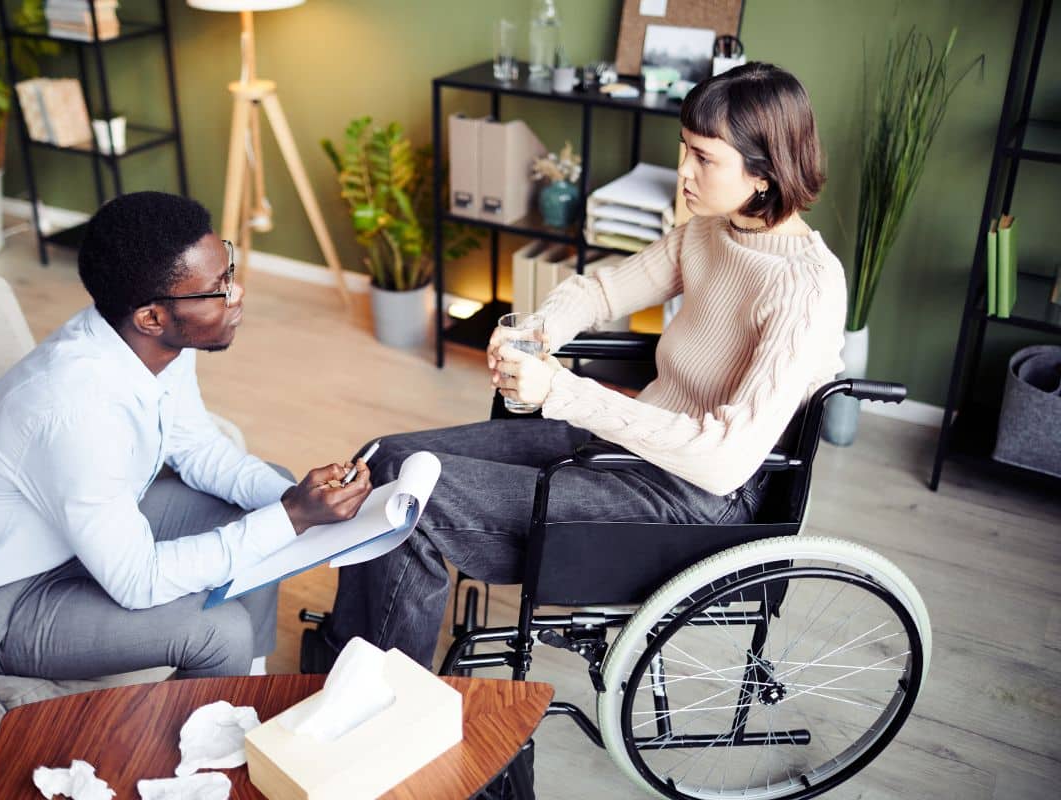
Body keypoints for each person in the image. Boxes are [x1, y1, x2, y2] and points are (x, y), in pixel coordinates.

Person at [311, 62, 847, 670]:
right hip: (622, 442)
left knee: (415, 494)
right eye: (683, 150)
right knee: (383, 456)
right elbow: (599, 290)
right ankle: (344, 657)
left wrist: (561, 392)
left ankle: (369, 696)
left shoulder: (807, 287)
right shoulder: (708, 231)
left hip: (689, 498)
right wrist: (541, 332)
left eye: (704, 157)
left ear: (765, 170)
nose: (683, 172)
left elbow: (723, 461)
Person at [0, 191, 372, 680]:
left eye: (228, 273)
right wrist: (294, 517)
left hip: (75, 539)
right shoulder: (76, 408)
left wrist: (298, 501)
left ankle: (248, 680)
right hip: (1, 602)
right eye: (216, 289)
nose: (236, 296)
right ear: (151, 317)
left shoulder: (156, 341)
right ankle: (213, 729)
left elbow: (197, 447)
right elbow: (137, 581)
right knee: (222, 631)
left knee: (270, 490)